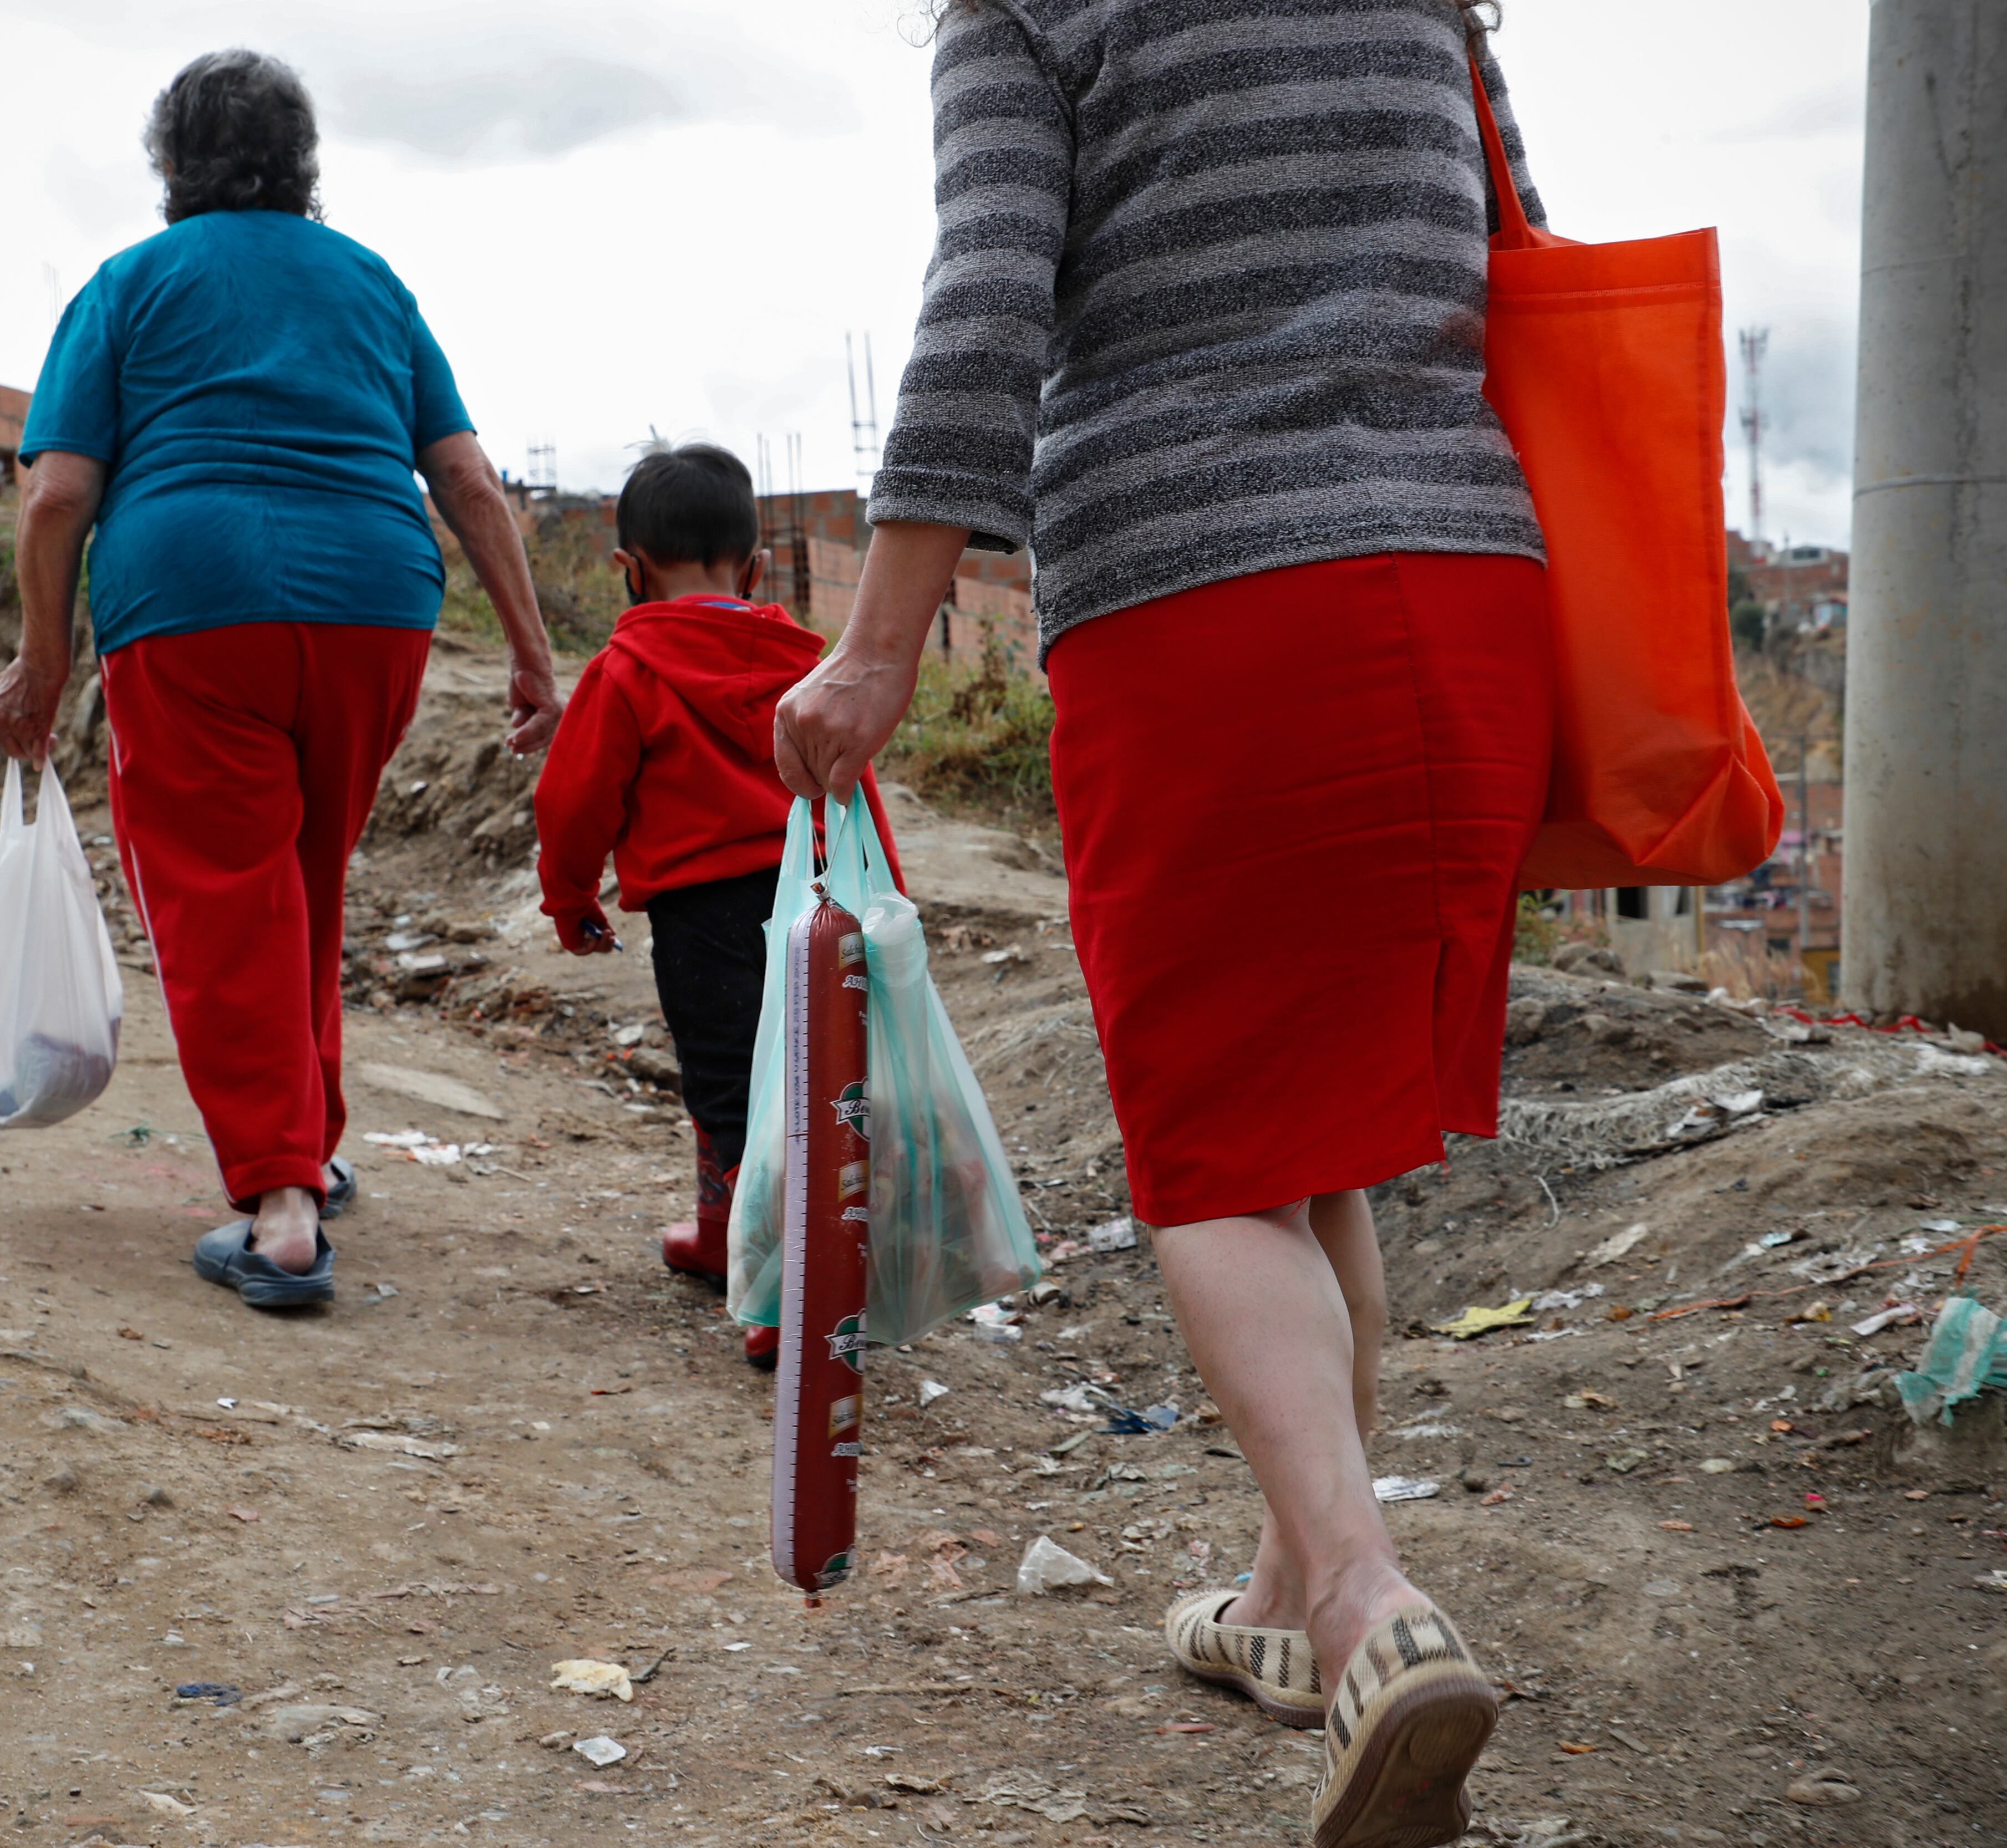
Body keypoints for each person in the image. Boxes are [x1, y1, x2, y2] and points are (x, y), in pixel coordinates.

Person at [774, 4, 1549, 1844]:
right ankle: (1286, 1605)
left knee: (1208, 1151)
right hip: (1461, 580)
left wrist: (880, 640)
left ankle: (1371, 1599)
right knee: (1318, 1131)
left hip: (1206, 594)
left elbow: (987, 291)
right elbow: (1516, 254)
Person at [0, 49, 561, 1312]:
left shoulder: (128, 285)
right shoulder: (367, 282)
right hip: (374, 606)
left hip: (190, 608)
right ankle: (311, 1143)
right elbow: (465, 478)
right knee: (300, 880)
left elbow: (58, 491)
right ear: (303, 164)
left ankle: (281, 1208)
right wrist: (530, 650)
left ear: (170, 164)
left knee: (224, 895)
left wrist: (41, 659)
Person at [531, 444, 906, 1367]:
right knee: (805, 1084)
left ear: (628, 569)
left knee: (732, 1091)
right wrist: (889, 901)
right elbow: (856, 792)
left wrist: (571, 894)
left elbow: (576, 798)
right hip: (820, 906)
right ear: (756, 568)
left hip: (700, 920)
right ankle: (719, 1233)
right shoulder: (809, 668)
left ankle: (789, 1295)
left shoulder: (629, 669)